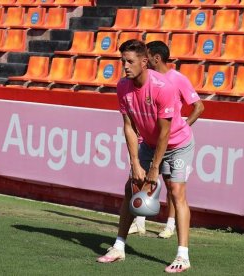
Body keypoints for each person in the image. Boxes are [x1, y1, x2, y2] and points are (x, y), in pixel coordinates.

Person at [97, 40, 195, 273]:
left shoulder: (164, 87)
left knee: (176, 192)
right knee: (130, 189)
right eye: (123, 62)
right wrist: (135, 163)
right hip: (149, 144)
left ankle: (183, 256)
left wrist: (153, 169)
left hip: (177, 143)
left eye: (130, 62)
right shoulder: (122, 87)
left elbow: (165, 132)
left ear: (144, 62)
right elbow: (129, 126)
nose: (125, 67)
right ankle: (119, 247)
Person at [128, 41, 204, 239]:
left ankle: (170, 225)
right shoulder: (146, 80)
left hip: (173, 142)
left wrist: (183, 126)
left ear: (156, 58)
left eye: (147, 57)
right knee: (143, 180)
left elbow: (199, 106)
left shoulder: (177, 79)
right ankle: (140, 221)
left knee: (173, 186)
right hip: (153, 141)